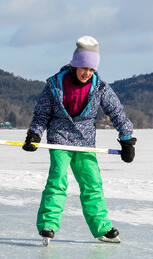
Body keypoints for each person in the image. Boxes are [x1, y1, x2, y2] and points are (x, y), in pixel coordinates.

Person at [23, 36, 136, 244]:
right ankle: (48, 224)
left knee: (92, 183)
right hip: (59, 139)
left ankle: (102, 227)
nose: (87, 73)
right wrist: (35, 134)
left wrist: (127, 139)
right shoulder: (54, 85)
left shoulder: (100, 87)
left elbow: (117, 112)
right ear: (75, 64)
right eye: (84, 67)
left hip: (84, 141)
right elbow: (41, 114)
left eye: (92, 69)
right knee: (57, 180)